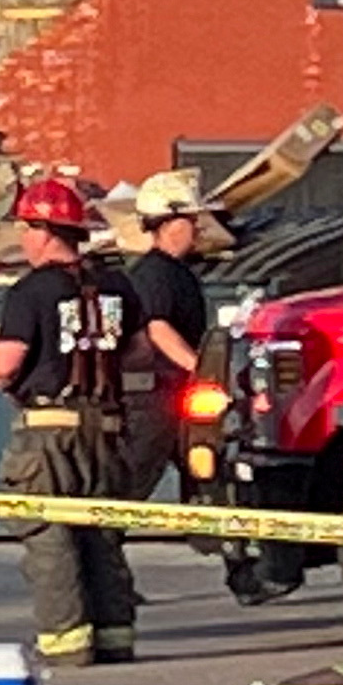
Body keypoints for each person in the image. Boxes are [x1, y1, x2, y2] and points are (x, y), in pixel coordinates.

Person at [0, 171, 138, 663]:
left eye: (26, 229)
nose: (23, 240)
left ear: (46, 232)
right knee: (103, 532)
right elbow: (136, 350)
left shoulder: (30, 293)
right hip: (107, 431)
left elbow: (5, 368)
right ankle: (115, 636)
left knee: (49, 536)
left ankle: (66, 642)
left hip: (49, 435)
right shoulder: (116, 285)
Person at [117, 171, 216, 500]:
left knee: (204, 477)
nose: (197, 227)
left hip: (171, 394)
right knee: (132, 484)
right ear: (169, 222)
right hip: (153, 399)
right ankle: (99, 545)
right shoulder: (155, 274)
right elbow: (158, 328)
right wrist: (201, 370)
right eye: (190, 219)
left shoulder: (175, 272)